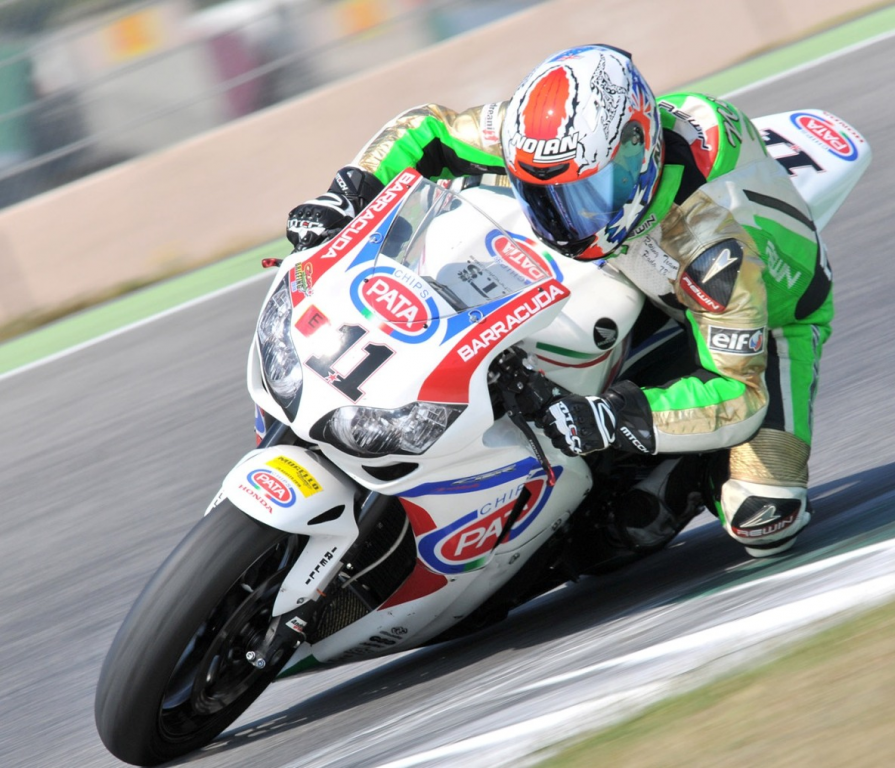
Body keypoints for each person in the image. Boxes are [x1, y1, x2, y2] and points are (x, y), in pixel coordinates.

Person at [286, 44, 832, 558]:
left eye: (582, 194)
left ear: (637, 154)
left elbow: (740, 394)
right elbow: (427, 128)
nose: (563, 215)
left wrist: (612, 418)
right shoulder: (547, 141)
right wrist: (346, 194)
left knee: (761, 516)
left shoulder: (711, 246)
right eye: (543, 194)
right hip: (630, 255)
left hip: (766, 320)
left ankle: (682, 475)